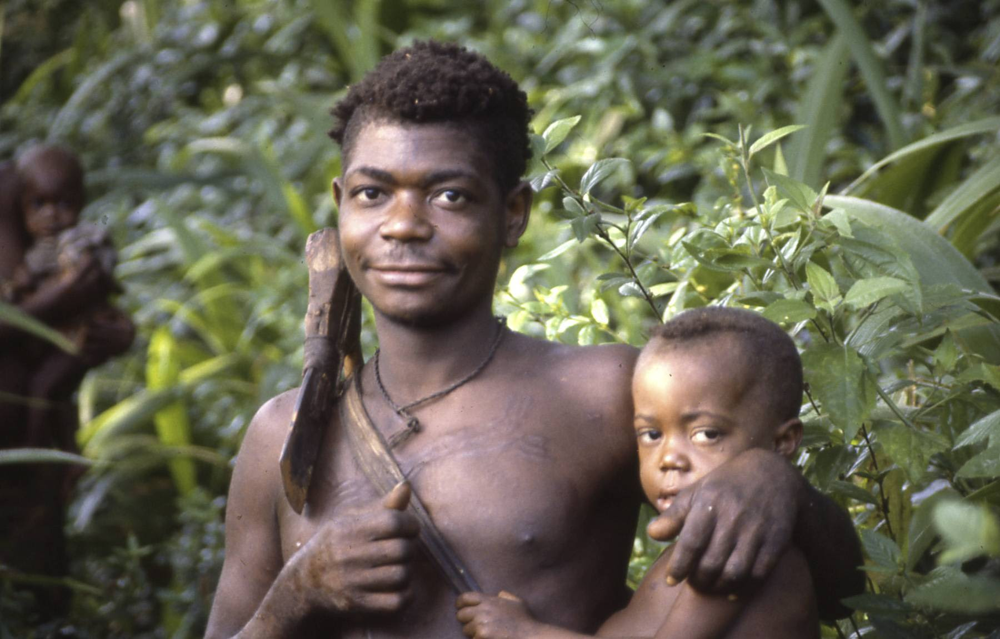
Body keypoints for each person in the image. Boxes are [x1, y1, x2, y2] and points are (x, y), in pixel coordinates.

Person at [205, 41, 863, 639]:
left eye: (450, 196)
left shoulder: (600, 394)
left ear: (513, 213)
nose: (403, 224)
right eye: (372, 193)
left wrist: (777, 486)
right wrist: (296, 593)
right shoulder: (283, 436)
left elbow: (835, 586)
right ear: (340, 202)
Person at [455, 307, 819, 639]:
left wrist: (526, 633)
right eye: (652, 435)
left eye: (707, 434)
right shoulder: (692, 556)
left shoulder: (738, 554)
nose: (669, 458)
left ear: (783, 442)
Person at [0, 145, 134, 608]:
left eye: (64, 203)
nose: (52, 214)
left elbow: (91, 288)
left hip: (32, 456)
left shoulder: (18, 187)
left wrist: (112, 329)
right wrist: (54, 301)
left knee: (39, 590)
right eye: (41, 205)